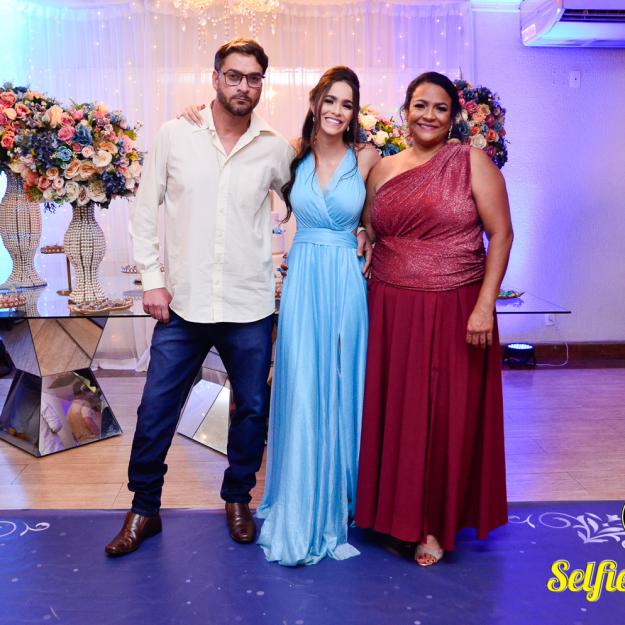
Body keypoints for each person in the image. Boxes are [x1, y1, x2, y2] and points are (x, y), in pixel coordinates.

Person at [180, 66, 378, 566]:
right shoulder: (291, 153)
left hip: (346, 280)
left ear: (354, 112)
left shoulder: (368, 157)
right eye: (330, 100)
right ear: (315, 103)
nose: (337, 111)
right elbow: (233, 157)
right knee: (302, 382)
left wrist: (367, 234)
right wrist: (194, 119)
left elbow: (377, 218)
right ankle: (301, 487)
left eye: (347, 104)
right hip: (304, 276)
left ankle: (347, 496)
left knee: (344, 381)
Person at [104, 38, 293, 557]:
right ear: (215, 78)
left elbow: (308, 199)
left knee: (251, 411)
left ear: (262, 84)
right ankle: (144, 508)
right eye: (234, 75)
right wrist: (152, 279)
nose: (243, 86)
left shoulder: (276, 148)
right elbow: (145, 211)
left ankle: (237, 499)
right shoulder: (175, 135)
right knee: (156, 408)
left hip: (250, 305)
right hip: (183, 305)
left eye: (253, 78)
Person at [355, 71, 513, 566]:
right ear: (405, 111)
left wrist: (485, 305)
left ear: (453, 117)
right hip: (389, 306)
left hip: (455, 306)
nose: (428, 115)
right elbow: (370, 228)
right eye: (420, 105)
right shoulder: (382, 168)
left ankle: (433, 525)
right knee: (397, 413)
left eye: (440, 107)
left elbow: (502, 234)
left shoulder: (471, 162)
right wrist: (362, 237)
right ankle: (392, 514)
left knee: (444, 416)